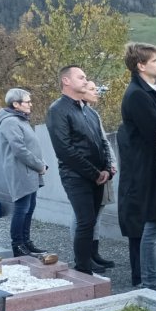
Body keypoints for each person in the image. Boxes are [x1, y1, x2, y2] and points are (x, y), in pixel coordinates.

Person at [118, 42, 156, 293]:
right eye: (154, 61)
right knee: (154, 227)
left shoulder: (150, 92)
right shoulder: (137, 95)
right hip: (150, 170)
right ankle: (150, 282)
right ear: (140, 65)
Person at [46, 66, 114, 275]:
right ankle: (83, 269)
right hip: (76, 176)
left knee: (91, 221)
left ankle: (88, 264)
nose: (86, 81)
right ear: (66, 81)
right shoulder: (58, 110)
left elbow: (102, 142)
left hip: (98, 176)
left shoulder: (89, 112)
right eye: (81, 77)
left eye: (86, 77)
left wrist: (106, 169)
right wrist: (95, 173)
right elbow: (64, 149)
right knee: (85, 222)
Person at [0, 88, 49, 257]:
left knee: (29, 208)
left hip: (29, 170)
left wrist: (40, 164)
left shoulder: (20, 119)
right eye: (27, 102)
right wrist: (39, 166)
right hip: (20, 171)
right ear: (16, 104)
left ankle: (26, 242)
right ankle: (18, 245)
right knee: (22, 209)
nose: (30, 104)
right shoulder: (10, 122)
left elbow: (30, 146)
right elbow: (19, 150)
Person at [75, 81, 117, 271]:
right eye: (92, 89)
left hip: (102, 170)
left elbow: (103, 141)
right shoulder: (75, 114)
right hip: (88, 172)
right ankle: (83, 256)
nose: (96, 92)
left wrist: (110, 163)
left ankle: (94, 253)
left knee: (97, 215)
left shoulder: (92, 114)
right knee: (84, 218)